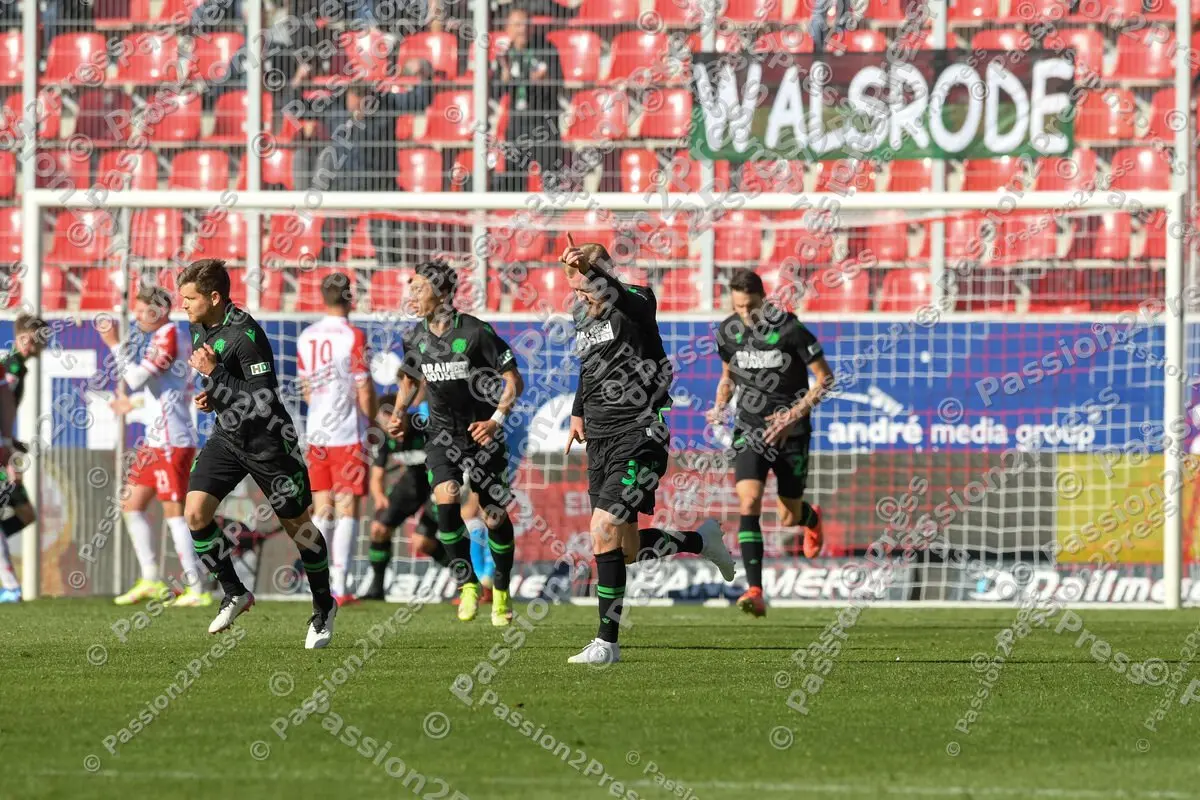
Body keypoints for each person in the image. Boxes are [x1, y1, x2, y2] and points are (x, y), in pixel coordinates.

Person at [560, 240, 735, 665]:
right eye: (577, 290)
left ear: (604, 276)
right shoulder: (583, 314)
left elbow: (617, 294)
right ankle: (700, 540)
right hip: (599, 438)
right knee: (625, 550)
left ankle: (606, 644)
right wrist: (578, 412)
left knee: (601, 527)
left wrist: (591, 273)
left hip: (640, 432)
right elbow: (588, 365)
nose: (582, 296)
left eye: (588, 287)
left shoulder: (637, 301)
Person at [178, 258, 337, 649]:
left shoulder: (246, 335)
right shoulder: (199, 326)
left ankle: (323, 606)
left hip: (269, 444)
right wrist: (212, 396)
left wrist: (215, 375)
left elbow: (263, 397)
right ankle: (235, 592)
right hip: (228, 438)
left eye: (190, 298)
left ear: (215, 297)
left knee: (300, 530)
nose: (183, 304)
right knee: (195, 513)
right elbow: (229, 388)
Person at [386, 259, 523, 626]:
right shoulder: (414, 336)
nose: (412, 296)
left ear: (443, 294)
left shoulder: (476, 332)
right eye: (411, 289)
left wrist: (495, 421)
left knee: (493, 516)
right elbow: (409, 378)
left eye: (419, 289)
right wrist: (398, 413)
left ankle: (502, 588)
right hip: (441, 436)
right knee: (445, 497)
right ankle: (466, 583)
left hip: (481, 435)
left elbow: (514, 380)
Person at [707, 269, 835, 617]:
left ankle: (810, 517)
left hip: (792, 433)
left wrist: (792, 415)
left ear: (764, 300)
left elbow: (825, 379)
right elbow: (728, 376)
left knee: (788, 516)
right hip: (750, 429)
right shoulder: (728, 331)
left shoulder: (790, 329)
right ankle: (755, 590)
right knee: (748, 502)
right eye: (739, 307)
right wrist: (721, 404)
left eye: (751, 306)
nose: (746, 314)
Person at [101, 287, 211, 608]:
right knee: (130, 504)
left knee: (175, 513)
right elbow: (163, 392)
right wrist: (134, 406)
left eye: (141, 311)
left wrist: (113, 344)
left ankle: (197, 586)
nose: (136, 317)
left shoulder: (169, 336)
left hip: (172, 441)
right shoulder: (162, 337)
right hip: (155, 440)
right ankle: (151, 578)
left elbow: (136, 378)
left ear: (159, 311)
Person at [297, 273, 376, 605]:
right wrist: (373, 422)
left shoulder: (307, 336)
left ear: (322, 297)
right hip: (346, 432)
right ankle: (341, 586)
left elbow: (306, 388)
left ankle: (318, 583)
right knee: (347, 507)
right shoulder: (353, 335)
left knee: (321, 508)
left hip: (317, 431)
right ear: (350, 298)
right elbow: (363, 387)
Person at [489, 7, 568, 192]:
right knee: (513, 181)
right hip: (518, 124)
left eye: (525, 24)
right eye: (517, 25)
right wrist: (504, 76)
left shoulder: (546, 48)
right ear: (508, 29)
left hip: (544, 123)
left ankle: (553, 207)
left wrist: (544, 80)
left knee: (552, 178)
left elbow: (559, 83)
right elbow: (496, 91)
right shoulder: (505, 54)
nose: (522, 29)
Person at [0, 314, 47, 603]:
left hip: (5, 447)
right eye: (29, 339)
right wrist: (8, 450)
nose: (35, 345)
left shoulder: (18, 366)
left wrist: (13, 443)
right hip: (1, 452)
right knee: (23, 511)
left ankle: (10, 587)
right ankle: (10, 586)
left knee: (26, 514)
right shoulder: (12, 367)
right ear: (20, 338)